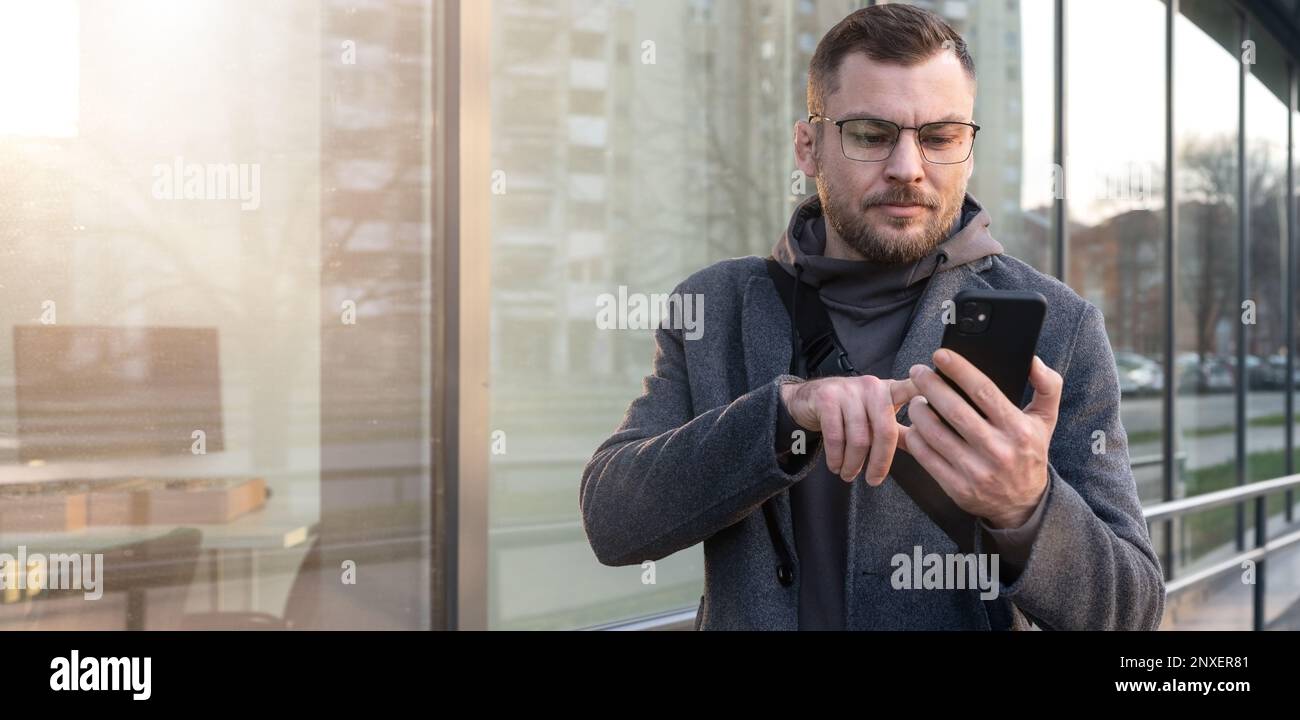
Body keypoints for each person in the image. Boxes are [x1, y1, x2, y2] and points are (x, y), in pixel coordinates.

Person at [580, 4, 1165, 630]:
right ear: (809, 146)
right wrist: (782, 417)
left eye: (939, 138)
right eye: (870, 134)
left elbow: (1130, 614)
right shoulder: (715, 308)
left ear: (968, 149)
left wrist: (1028, 507)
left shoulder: (1060, 327)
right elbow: (613, 522)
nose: (908, 167)